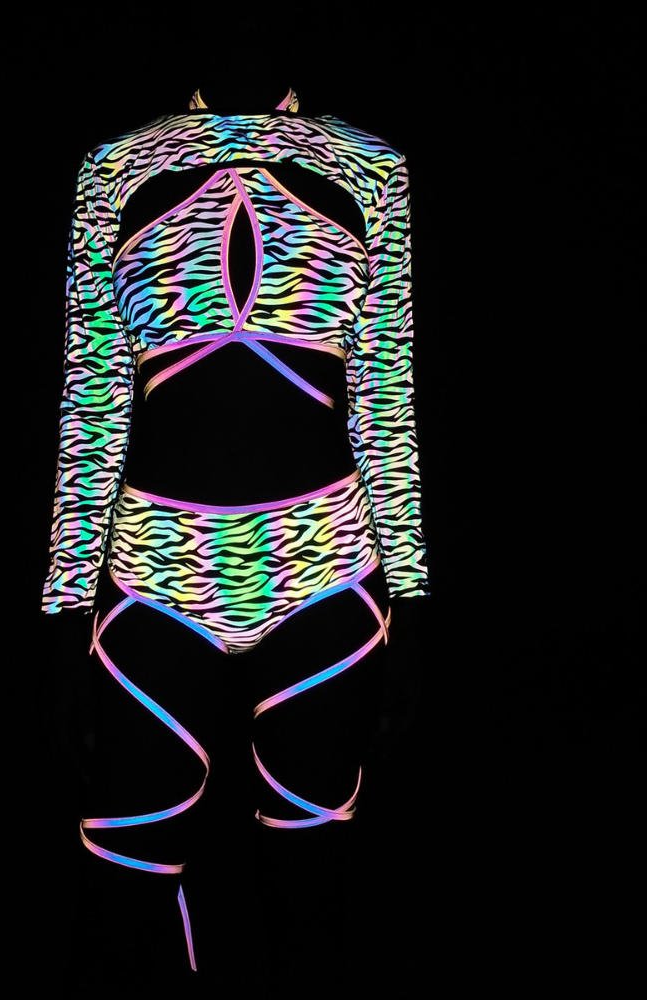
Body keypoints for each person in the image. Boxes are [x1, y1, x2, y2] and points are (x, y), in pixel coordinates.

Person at [41, 75, 429, 988]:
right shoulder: (116, 166)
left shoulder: (372, 167)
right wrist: (62, 615)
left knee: (308, 902)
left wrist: (412, 604)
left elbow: (384, 394)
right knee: (123, 907)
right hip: (155, 577)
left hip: (325, 576)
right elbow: (94, 396)